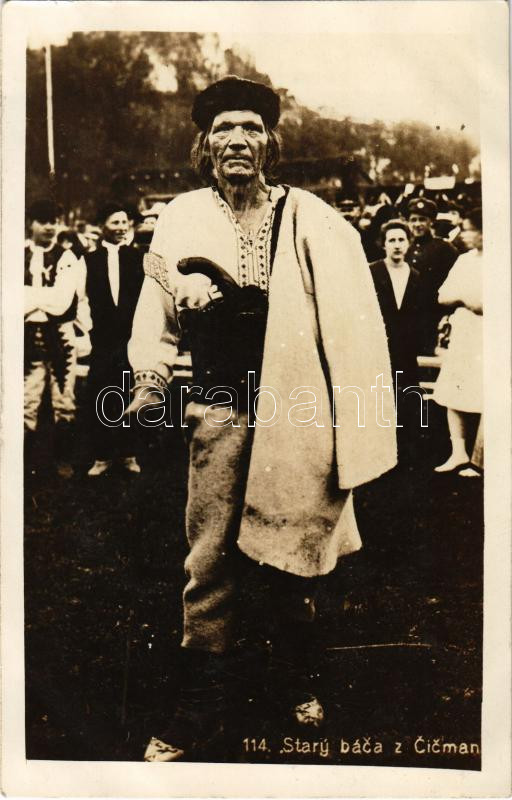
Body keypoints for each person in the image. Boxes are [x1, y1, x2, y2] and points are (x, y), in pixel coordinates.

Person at [127, 75, 396, 761]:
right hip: (220, 408)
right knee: (210, 558)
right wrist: (150, 379)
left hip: (297, 408)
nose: (237, 140)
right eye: (224, 129)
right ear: (205, 145)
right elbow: (155, 315)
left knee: (295, 549)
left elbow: (350, 321)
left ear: (269, 142)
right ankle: (199, 704)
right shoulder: (182, 216)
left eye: (250, 127)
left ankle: (300, 678)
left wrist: (353, 422)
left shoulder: (309, 216)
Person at [84, 202, 144, 476]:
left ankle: (129, 454)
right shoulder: (89, 260)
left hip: (131, 339)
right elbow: (79, 299)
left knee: (130, 391)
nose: (121, 228)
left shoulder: (139, 258)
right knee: (100, 392)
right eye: (115, 222)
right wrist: (89, 328)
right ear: (102, 226)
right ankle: (102, 456)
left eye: (124, 222)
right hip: (102, 340)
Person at [24, 200, 82, 477]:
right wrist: (35, 300)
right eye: (42, 221)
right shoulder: (16, 255)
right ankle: (23, 462)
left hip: (60, 335)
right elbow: (11, 298)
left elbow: (62, 301)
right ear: (30, 224)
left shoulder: (66, 257)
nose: (49, 227)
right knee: (26, 399)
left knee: (64, 399)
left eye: (53, 221)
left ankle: (62, 458)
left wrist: (31, 298)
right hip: (26, 335)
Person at [432, 207, 483, 473]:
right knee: (453, 390)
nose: (464, 234)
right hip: (465, 333)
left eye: (469, 229)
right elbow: (443, 295)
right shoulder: (463, 260)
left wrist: (481, 304)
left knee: (487, 392)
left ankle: (480, 459)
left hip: (489, 334)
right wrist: (465, 299)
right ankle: (458, 452)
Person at [369, 220, 422, 463]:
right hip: (379, 343)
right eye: (392, 240)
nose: (397, 245)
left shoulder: (415, 275)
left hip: (407, 347)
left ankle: (407, 448)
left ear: (409, 243)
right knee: (380, 391)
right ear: (383, 244)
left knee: (407, 392)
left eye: (402, 240)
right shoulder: (372, 271)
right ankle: (378, 448)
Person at [406, 198, 458, 354]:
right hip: (408, 315)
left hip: (432, 315)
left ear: (431, 222)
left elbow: (453, 283)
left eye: (422, 219)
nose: (417, 224)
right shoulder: (404, 248)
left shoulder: (444, 249)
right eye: (413, 220)